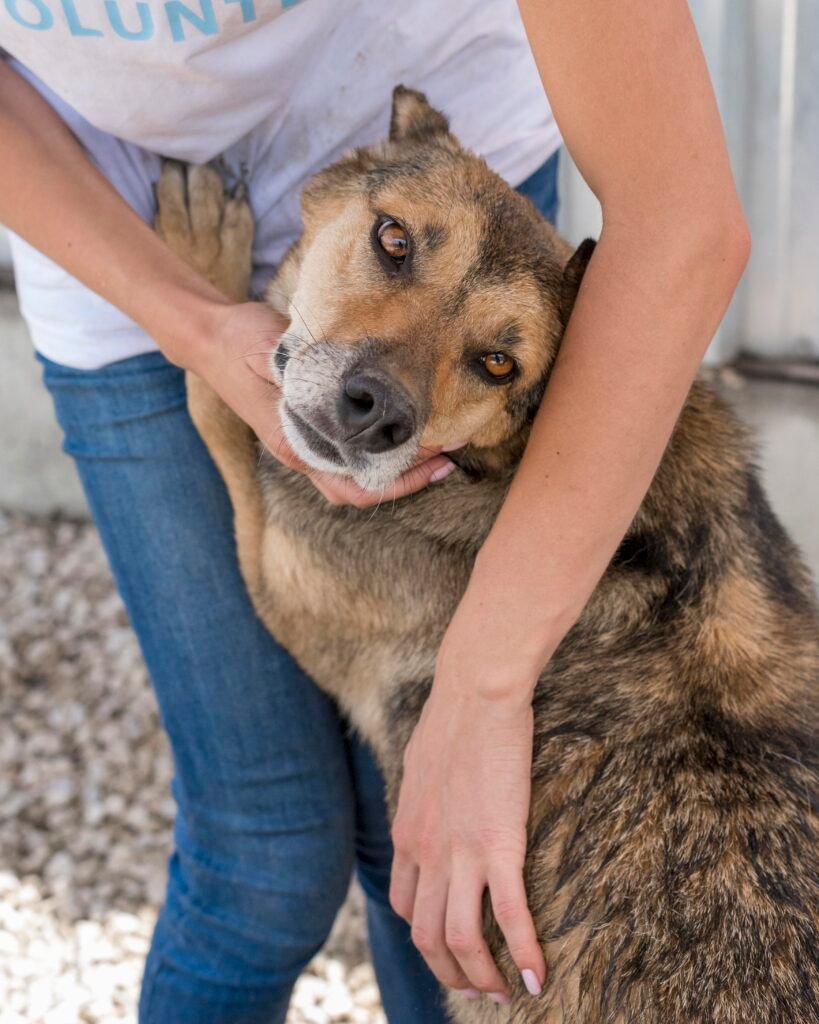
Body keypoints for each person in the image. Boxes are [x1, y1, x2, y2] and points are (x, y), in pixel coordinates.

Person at [0, 0, 749, 1020]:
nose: (383, 388)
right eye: (395, 251)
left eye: (491, 366)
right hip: (98, 186)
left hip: (440, 133)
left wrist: (482, 688)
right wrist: (197, 327)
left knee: (427, 861)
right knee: (263, 859)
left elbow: (683, 224)